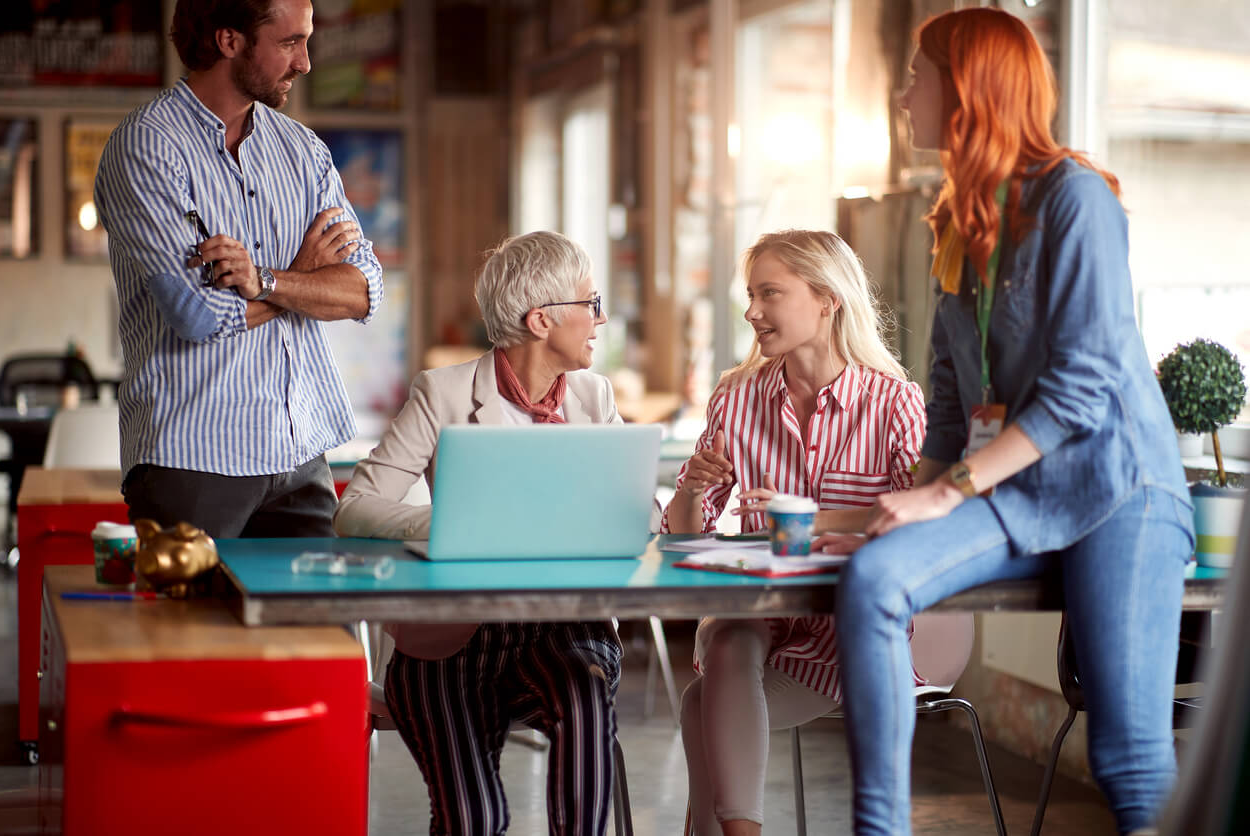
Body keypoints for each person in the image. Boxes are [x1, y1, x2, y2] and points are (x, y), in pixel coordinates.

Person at [825, 9, 1194, 836]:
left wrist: (947, 492)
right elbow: (951, 391)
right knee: (876, 579)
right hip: (1017, 491)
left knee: (1128, 756)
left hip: (1117, 486)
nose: (903, 90)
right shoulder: (958, 220)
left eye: (919, 74)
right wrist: (904, 508)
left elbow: (1085, 382)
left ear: (967, 89)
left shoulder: (1077, 200)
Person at [334, 231, 622, 836]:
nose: (601, 319)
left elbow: (639, 515)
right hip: (451, 641)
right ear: (542, 319)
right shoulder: (441, 393)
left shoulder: (594, 397)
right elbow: (356, 509)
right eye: (591, 303)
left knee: (585, 693)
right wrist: (452, 525)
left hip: (563, 628)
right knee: (474, 819)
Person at [663, 229, 927, 836]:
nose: (752, 312)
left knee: (698, 702)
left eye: (770, 294)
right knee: (728, 636)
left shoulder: (893, 402)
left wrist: (819, 520)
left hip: (852, 629)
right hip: (758, 613)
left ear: (827, 298)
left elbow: (921, 511)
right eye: (750, 295)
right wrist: (693, 489)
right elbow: (683, 535)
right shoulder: (736, 400)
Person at [93, 0, 383, 538]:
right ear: (230, 41)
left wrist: (265, 280)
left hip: (301, 453)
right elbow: (198, 313)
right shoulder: (147, 148)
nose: (306, 63)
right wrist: (303, 274)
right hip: (193, 460)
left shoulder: (303, 151)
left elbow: (364, 290)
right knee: (190, 626)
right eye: (290, 42)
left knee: (316, 625)